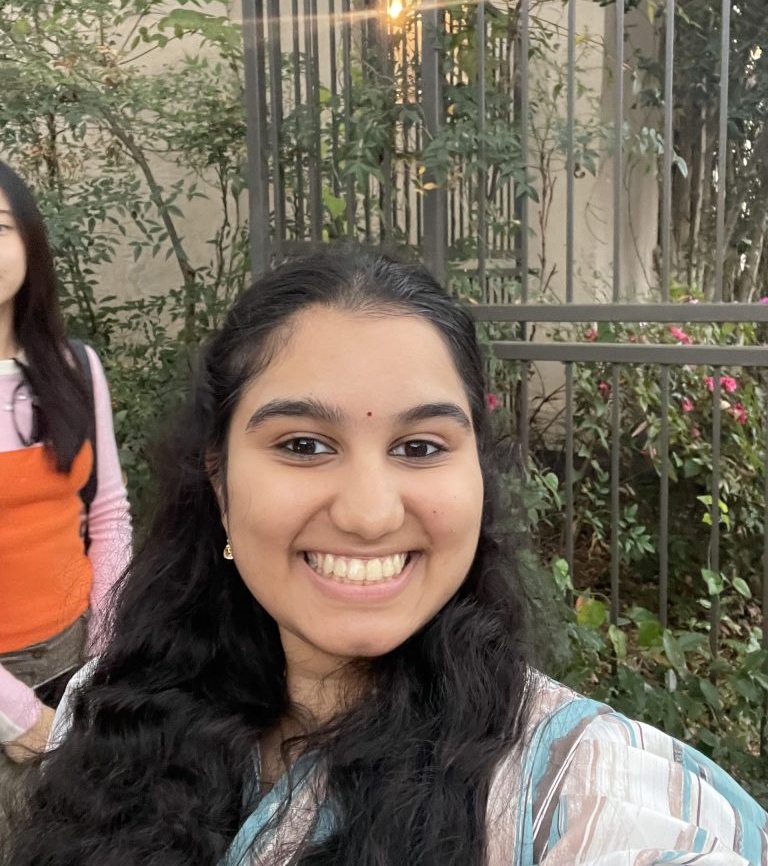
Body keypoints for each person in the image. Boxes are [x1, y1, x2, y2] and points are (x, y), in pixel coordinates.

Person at [4, 249, 766, 866]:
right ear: (220, 482)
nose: (370, 514)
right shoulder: (105, 715)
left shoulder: (584, 786)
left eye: (420, 447)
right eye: (305, 445)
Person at [0, 163, 131, 805]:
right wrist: (19, 718)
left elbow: (106, 513)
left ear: (29, 242)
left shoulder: (74, 367)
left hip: (75, 659)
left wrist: (104, 657)